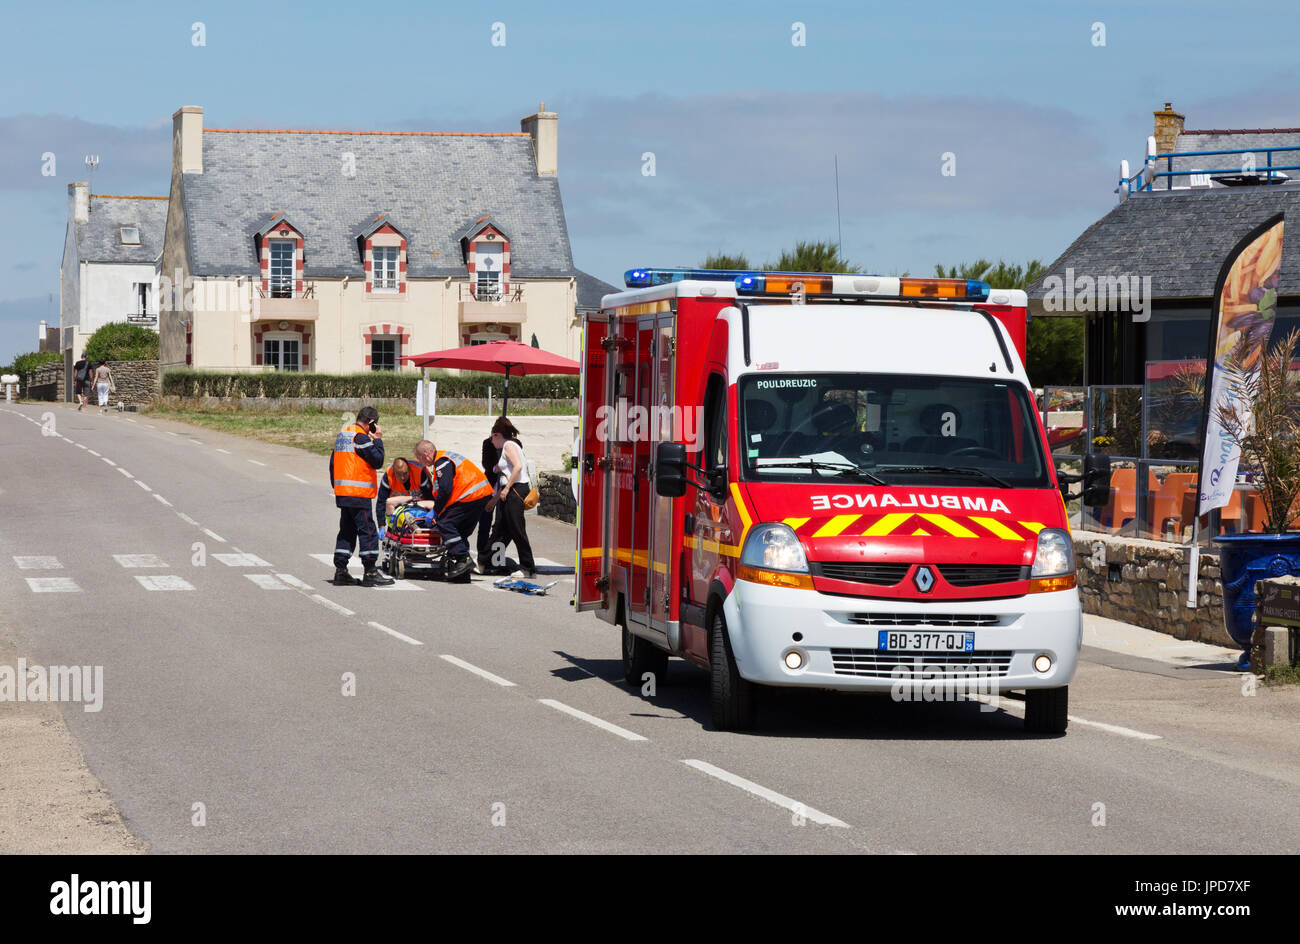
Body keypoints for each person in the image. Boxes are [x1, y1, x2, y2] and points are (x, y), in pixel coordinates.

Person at [328, 406, 393, 587]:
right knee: (368, 531)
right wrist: (378, 439)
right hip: (358, 494)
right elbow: (378, 460)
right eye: (376, 424)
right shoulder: (360, 437)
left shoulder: (342, 436)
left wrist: (338, 487)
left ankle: (341, 570)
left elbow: (333, 464)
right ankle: (370, 571)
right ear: (371, 423)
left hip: (344, 493)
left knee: (347, 531)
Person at [412, 439, 493, 581]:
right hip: (478, 495)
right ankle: (462, 570)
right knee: (460, 530)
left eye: (419, 458)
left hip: (470, 496)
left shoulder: (442, 461)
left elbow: (445, 490)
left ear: (426, 453)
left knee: (445, 523)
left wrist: (436, 511)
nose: (421, 462)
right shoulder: (445, 459)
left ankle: (463, 558)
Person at [486, 416, 536, 579]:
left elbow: (518, 467)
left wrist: (507, 488)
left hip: (515, 490)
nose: (492, 443)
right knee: (502, 529)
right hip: (510, 491)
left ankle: (527, 567)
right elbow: (506, 467)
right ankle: (494, 562)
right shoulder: (509, 446)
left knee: (516, 528)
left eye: (492, 438)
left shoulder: (508, 445)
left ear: (497, 435)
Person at [376, 456, 432, 523]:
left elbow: (430, 496)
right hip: (399, 509)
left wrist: (432, 513)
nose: (402, 477)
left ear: (409, 469)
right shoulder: (388, 476)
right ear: (394, 472)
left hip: (419, 507)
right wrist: (381, 525)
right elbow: (381, 502)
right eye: (399, 474)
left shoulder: (419, 473)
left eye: (405, 473)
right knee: (389, 502)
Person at [476, 434, 503, 573]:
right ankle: (482, 555)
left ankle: (497, 558)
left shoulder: (513, 443)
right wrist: (495, 468)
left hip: (505, 486)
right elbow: (486, 463)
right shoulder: (488, 443)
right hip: (490, 484)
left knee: (500, 525)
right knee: (485, 521)